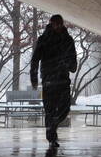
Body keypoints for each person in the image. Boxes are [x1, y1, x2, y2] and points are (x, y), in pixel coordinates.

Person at [30, 14, 77, 148]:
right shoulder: (44, 39)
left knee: (64, 108)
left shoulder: (67, 40)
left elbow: (73, 60)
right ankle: (51, 138)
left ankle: (53, 125)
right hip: (49, 80)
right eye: (55, 24)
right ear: (51, 24)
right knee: (50, 110)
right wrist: (34, 78)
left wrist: (69, 65)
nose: (57, 26)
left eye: (59, 24)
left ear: (62, 24)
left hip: (62, 79)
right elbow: (35, 59)